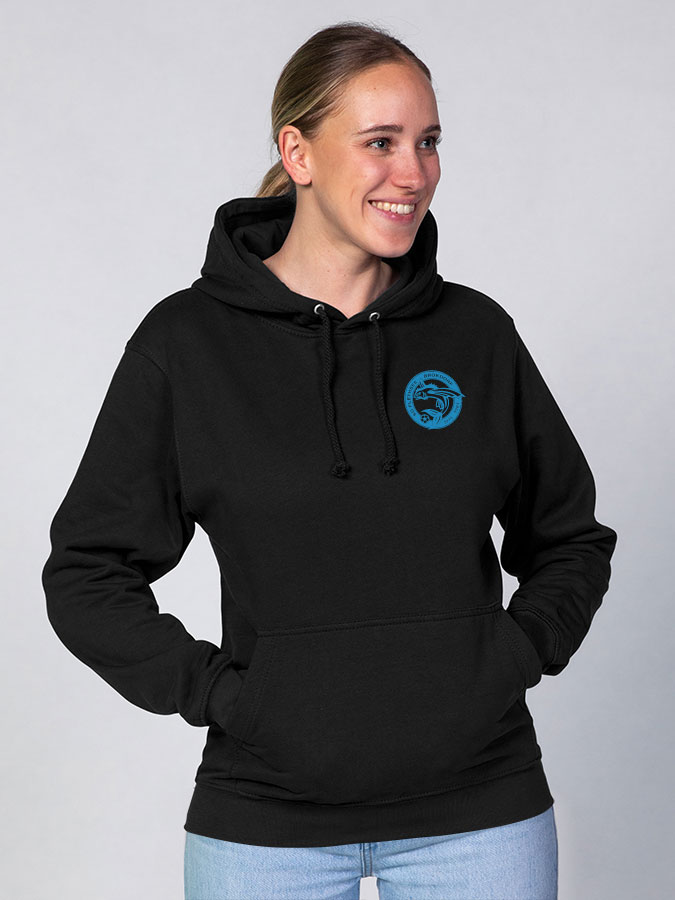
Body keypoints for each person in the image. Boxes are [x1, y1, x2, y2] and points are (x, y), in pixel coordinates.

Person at [42, 20, 618, 900]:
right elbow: (87, 572)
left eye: (427, 142)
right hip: (266, 823)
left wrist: (509, 657)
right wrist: (226, 697)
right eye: (380, 142)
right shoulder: (188, 346)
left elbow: (570, 537)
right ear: (298, 152)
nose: (413, 172)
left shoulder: (474, 336)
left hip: (481, 813)